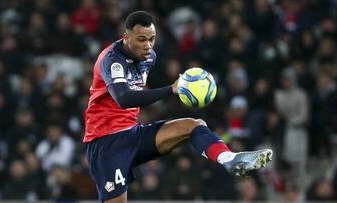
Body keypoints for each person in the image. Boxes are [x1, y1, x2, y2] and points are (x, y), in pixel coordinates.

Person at [83, 11, 273, 203]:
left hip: (133, 133)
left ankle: (229, 159)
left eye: (151, 39)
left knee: (193, 125)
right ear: (126, 37)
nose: (148, 45)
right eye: (141, 39)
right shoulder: (111, 60)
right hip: (106, 142)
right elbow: (123, 98)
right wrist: (172, 89)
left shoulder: (150, 57)